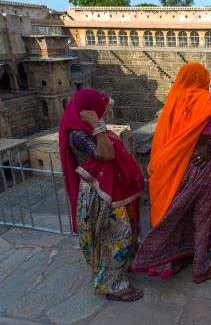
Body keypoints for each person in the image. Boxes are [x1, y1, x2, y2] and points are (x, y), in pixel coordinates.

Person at [131, 63, 211, 283]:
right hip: (202, 166)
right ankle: (200, 269)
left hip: (178, 167)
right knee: (201, 218)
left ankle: (176, 259)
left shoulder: (176, 101)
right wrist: (210, 147)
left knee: (176, 215)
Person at [59, 89, 145, 301]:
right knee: (119, 237)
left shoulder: (90, 131)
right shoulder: (78, 134)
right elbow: (106, 155)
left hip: (108, 191)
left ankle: (117, 273)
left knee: (118, 235)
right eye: (101, 111)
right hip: (99, 194)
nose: (104, 115)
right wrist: (97, 124)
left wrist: (98, 126)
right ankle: (113, 286)